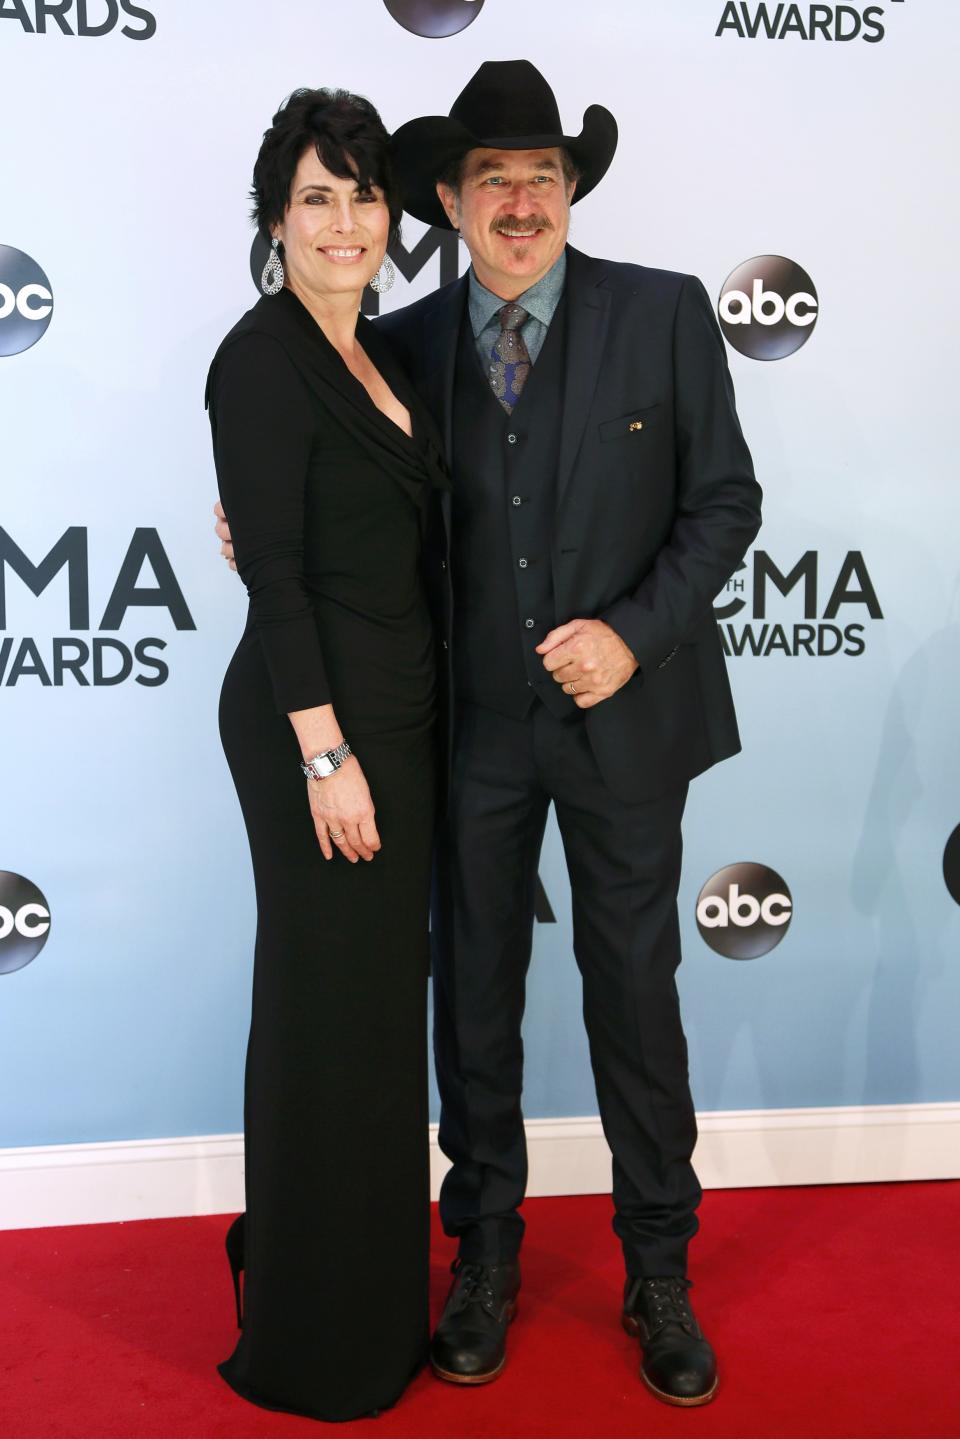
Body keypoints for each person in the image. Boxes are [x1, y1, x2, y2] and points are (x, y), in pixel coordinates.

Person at [217, 59, 762, 1410]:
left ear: (569, 190)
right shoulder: (395, 344)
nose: (522, 201)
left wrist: (633, 632)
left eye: (545, 176)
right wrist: (256, 539)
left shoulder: (667, 314)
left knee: (637, 996)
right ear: (447, 202)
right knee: (475, 1006)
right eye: (492, 179)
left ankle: (660, 1273)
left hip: (626, 725)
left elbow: (727, 505)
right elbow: (330, 481)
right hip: (462, 737)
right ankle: (486, 1261)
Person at [206, 87, 446, 1423]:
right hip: (319, 738)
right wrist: (322, 757)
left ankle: (366, 1296)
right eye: (317, 195)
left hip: (401, 730)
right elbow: (280, 581)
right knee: (319, 1014)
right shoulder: (260, 358)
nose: (345, 220)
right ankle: (306, 1323)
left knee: (371, 1027)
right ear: (275, 218)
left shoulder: (388, 355)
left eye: (362, 193)